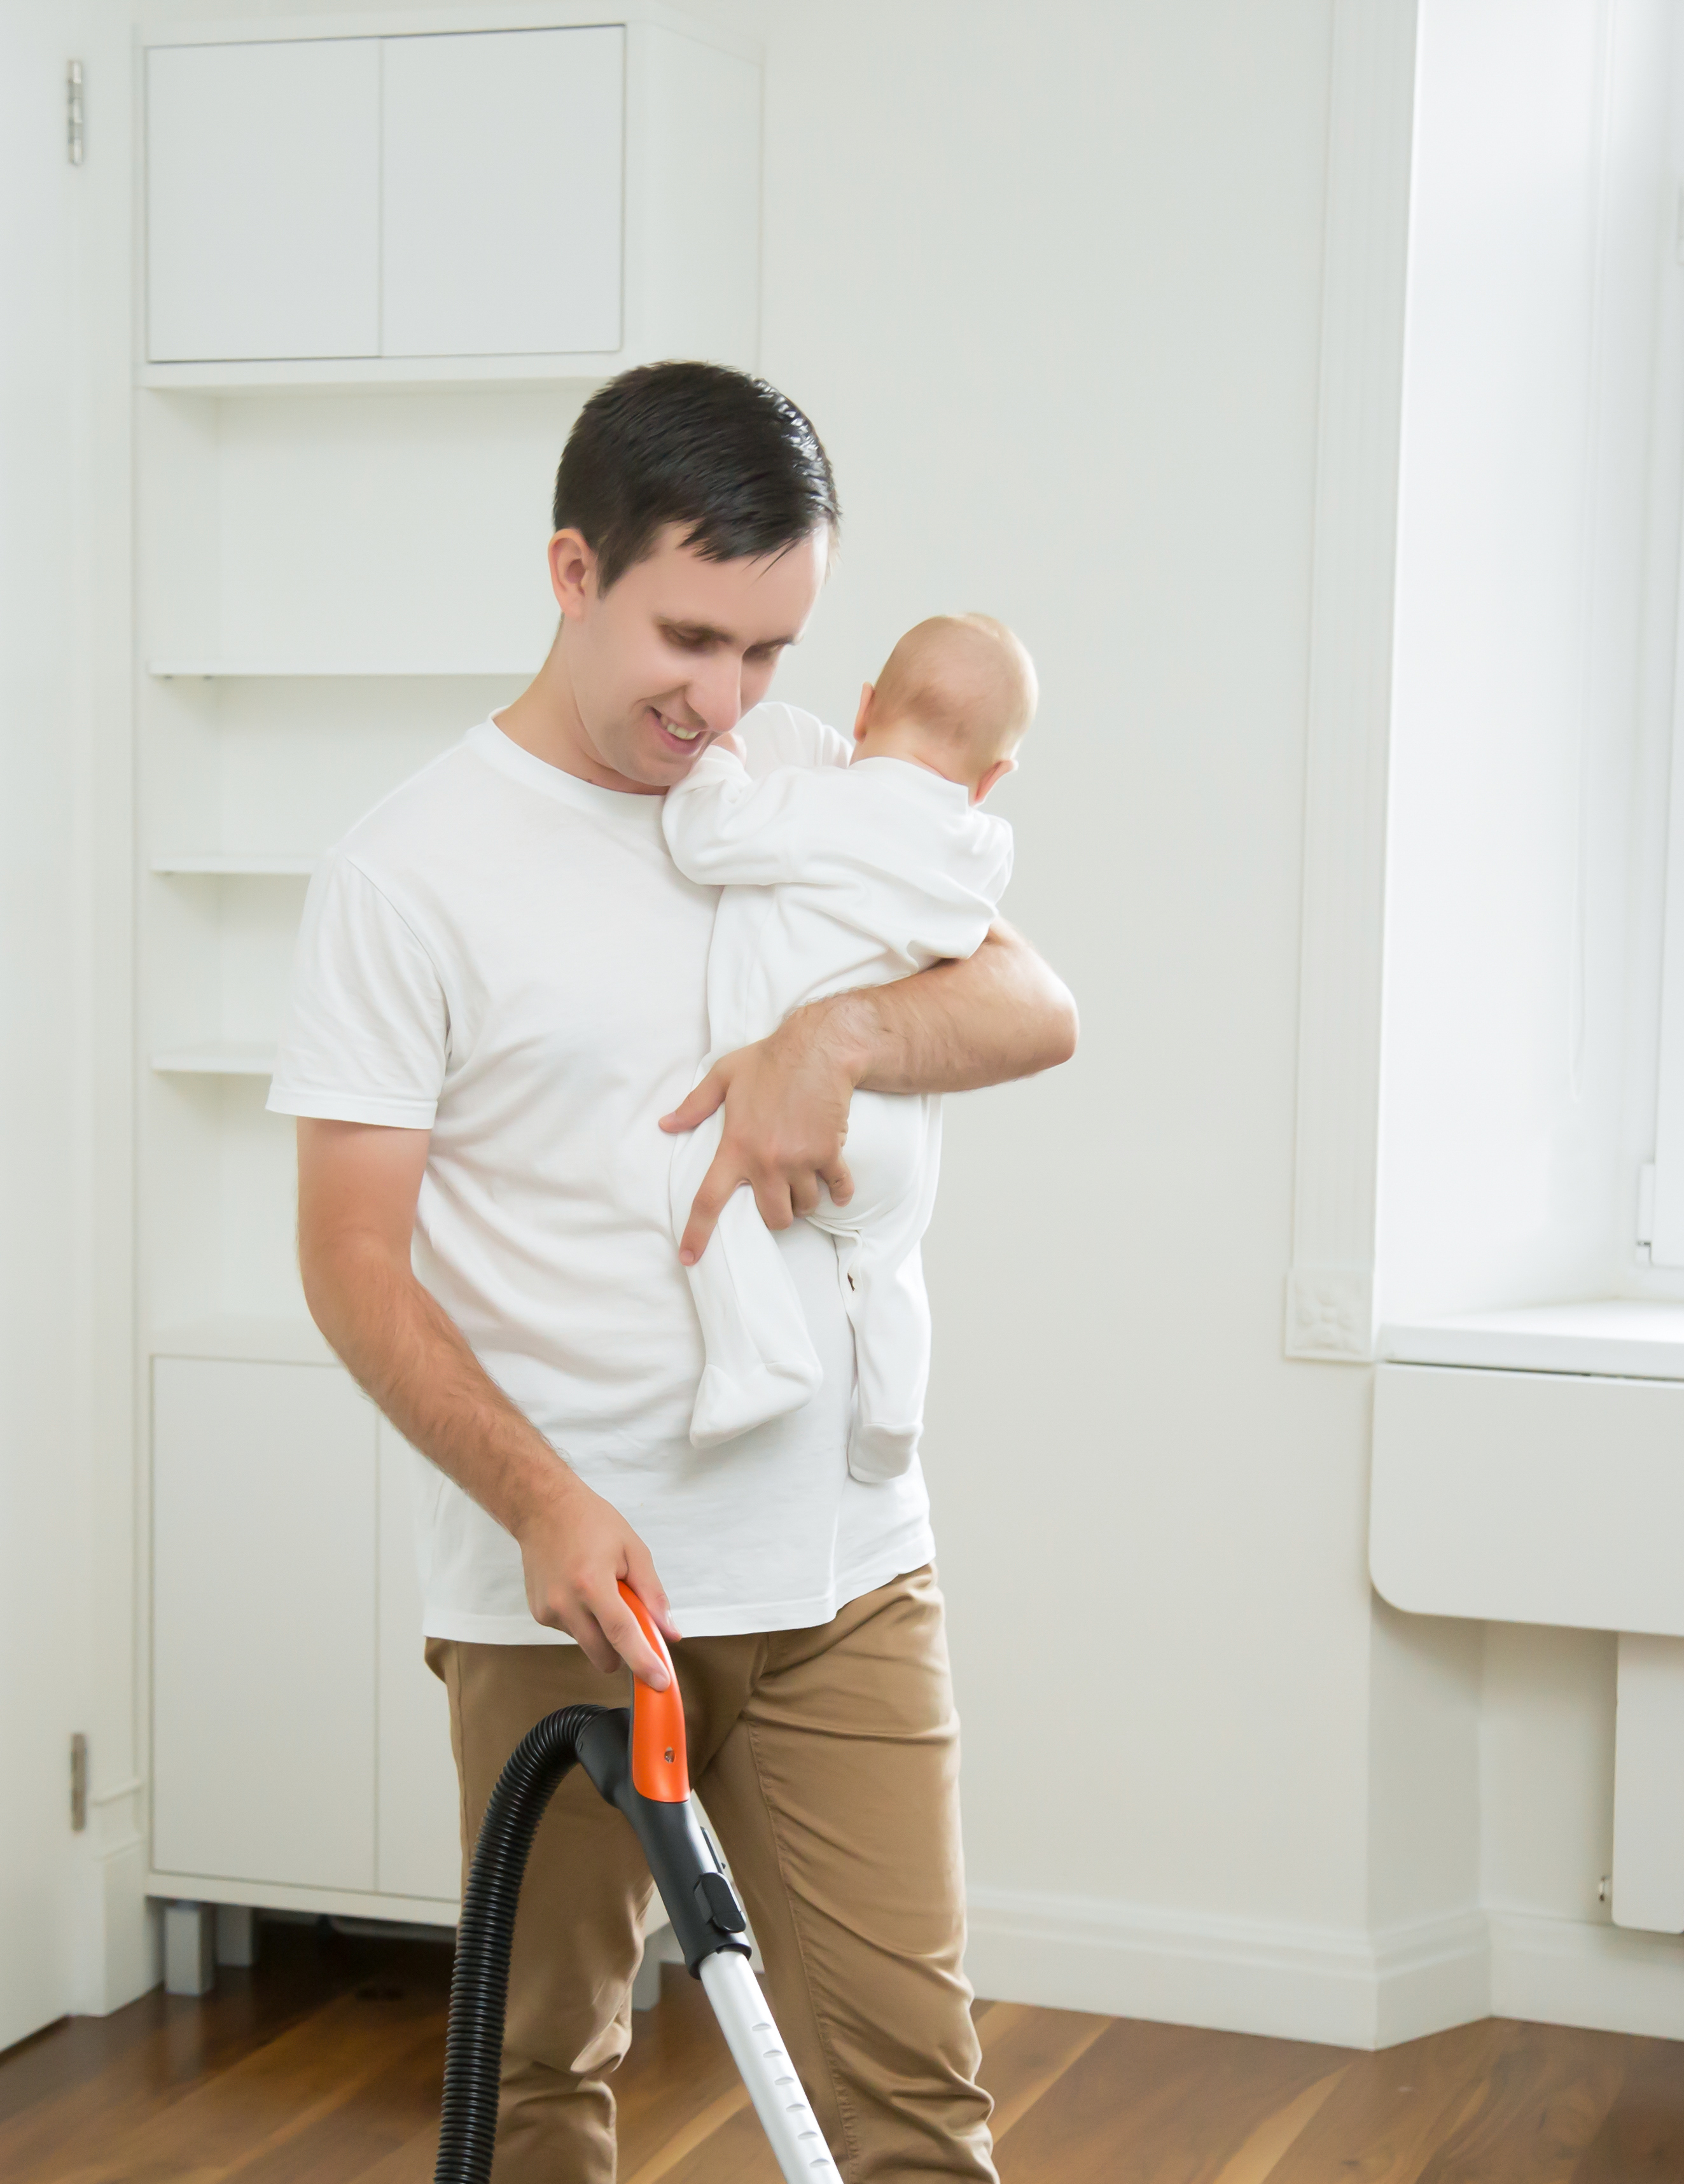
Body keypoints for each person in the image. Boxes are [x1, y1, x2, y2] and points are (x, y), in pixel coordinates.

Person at [272, 361, 1075, 2183]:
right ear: (571, 570)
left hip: (838, 1574)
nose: (720, 706)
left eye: (771, 652)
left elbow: (1035, 1004)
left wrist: (834, 1041)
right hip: (559, 1598)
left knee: (912, 2107)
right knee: (539, 2088)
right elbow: (346, 1261)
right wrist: (542, 1500)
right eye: (688, 638)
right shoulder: (405, 875)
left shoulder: (803, 785)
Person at [659, 612, 1036, 1473]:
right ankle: (892, 1414)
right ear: (996, 774)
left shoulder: (813, 804)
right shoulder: (979, 850)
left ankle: (758, 1357)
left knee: (696, 1177)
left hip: (781, 1118)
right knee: (889, 1259)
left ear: (863, 707)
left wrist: (718, 760)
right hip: (894, 1136)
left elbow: (701, 836)